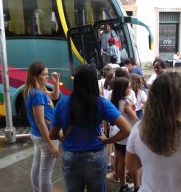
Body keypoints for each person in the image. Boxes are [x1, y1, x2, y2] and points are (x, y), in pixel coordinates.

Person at [49, 64, 131, 192]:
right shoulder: (102, 103)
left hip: (71, 157)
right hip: (95, 157)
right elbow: (127, 129)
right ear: (93, 82)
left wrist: (62, 136)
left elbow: (52, 135)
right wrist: (107, 140)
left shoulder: (63, 102)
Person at [23, 62, 60, 192]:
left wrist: (56, 82)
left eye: (47, 74)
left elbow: (55, 96)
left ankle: (37, 190)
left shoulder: (36, 89)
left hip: (37, 135)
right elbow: (40, 122)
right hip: (46, 136)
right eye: (44, 75)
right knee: (46, 173)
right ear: (35, 76)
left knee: (37, 166)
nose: (47, 77)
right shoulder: (37, 94)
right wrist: (51, 144)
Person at [110, 77, 139, 192]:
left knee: (121, 160)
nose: (131, 88)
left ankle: (123, 185)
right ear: (123, 89)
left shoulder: (114, 101)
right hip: (127, 137)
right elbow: (136, 120)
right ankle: (137, 187)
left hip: (117, 134)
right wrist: (132, 109)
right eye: (129, 87)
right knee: (134, 163)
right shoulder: (126, 103)